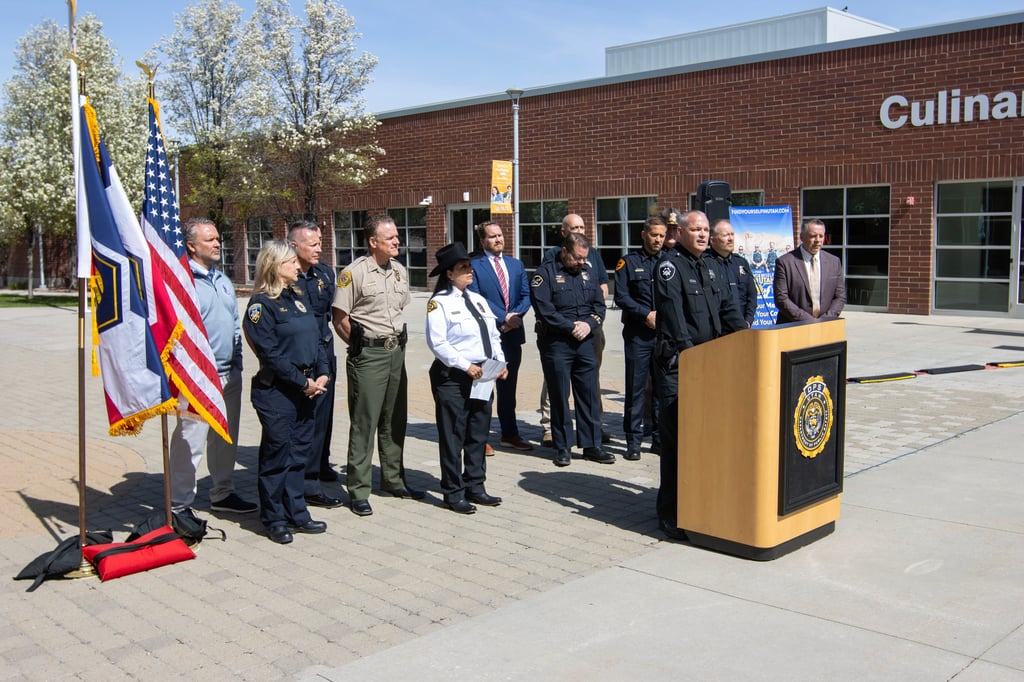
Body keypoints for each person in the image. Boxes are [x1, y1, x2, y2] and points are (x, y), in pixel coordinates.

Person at [654, 210, 746, 540]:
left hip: (711, 367)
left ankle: (701, 506)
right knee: (679, 441)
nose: (704, 235)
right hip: (680, 367)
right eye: (697, 229)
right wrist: (697, 359)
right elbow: (676, 322)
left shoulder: (711, 265)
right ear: (680, 232)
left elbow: (729, 310)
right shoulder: (669, 266)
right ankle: (670, 513)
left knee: (705, 441)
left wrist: (748, 338)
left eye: (707, 229)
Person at [332, 214, 423, 517]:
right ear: (373, 242)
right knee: (365, 422)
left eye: (397, 236)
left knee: (395, 419)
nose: (398, 241)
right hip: (368, 355)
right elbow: (340, 318)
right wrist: (357, 348)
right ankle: (358, 489)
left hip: (396, 351)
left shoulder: (399, 270)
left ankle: (393, 480)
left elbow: (399, 309)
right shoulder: (353, 273)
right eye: (391, 238)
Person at [243, 240, 330, 544]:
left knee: (299, 454)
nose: (297, 266)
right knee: (278, 454)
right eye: (291, 262)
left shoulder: (299, 297)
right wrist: (302, 382)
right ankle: (274, 517)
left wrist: (322, 373)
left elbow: (318, 338)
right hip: (278, 391)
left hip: (307, 389)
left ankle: (297, 511)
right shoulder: (260, 306)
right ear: (274, 267)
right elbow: (271, 355)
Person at [168, 218, 257, 515]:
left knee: (225, 438)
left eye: (218, 238)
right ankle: (178, 506)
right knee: (189, 441)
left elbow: (234, 324)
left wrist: (238, 362)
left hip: (229, 373)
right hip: (197, 377)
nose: (218, 243)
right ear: (191, 246)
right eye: (210, 240)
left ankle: (222, 493)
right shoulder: (183, 281)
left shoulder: (222, 279)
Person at [426, 243, 508, 514]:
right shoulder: (439, 303)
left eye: (469, 266)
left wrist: (500, 362)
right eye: (463, 268)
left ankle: (475, 484)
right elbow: (437, 342)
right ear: (449, 274)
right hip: (454, 377)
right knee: (453, 435)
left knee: (478, 431)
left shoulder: (478, 299)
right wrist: (465, 365)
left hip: (483, 376)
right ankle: (453, 490)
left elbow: (493, 334)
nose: (469, 271)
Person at [531, 232, 614, 467]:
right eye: (577, 258)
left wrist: (588, 324)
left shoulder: (588, 272)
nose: (581, 263)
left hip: (586, 341)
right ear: (565, 251)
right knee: (558, 395)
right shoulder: (544, 274)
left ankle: (591, 445)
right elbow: (544, 311)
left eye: (584, 258)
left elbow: (599, 305)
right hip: (557, 343)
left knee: (588, 394)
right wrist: (570, 327)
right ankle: (562, 446)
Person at [288, 221, 343, 510]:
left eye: (321, 242)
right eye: (313, 244)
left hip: (325, 353)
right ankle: (307, 483)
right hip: (300, 360)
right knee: (305, 420)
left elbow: (327, 316)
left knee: (323, 417)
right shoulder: (285, 275)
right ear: (294, 246)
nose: (319, 248)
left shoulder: (325, 273)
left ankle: (320, 464)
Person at [468, 221, 533, 451]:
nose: (498, 239)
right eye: (492, 236)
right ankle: (480, 438)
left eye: (500, 235)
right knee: (485, 388)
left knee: (509, 387)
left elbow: (526, 295)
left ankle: (510, 434)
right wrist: (503, 318)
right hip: (488, 336)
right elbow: (476, 297)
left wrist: (514, 317)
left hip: (512, 335)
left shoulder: (516, 265)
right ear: (482, 241)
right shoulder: (474, 266)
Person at [613, 215, 666, 461]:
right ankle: (633, 441)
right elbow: (621, 297)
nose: (658, 240)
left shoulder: (669, 261)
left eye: (662, 236)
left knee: (661, 390)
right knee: (636, 389)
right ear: (644, 234)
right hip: (638, 335)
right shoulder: (628, 261)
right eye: (654, 235)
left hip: (664, 336)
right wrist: (646, 314)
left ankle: (658, 439)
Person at [773, 218, 846, 323]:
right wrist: (809, 321)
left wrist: (825, 320)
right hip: (793, 327)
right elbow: (781, 298)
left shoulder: (834, 262)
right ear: (802, 237)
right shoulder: (785, 262)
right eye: (813, 236)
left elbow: (840, 296)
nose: (818, 240)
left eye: (821, 236)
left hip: (825, 327)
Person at [707, 218, 757, 327]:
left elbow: (752, 295)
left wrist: (748, 321)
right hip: (718, 329)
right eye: (725, 235)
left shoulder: (741, 262)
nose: (730, 239)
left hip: (743, 327)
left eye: (732, 234)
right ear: (712, 240)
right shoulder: (706, 263)